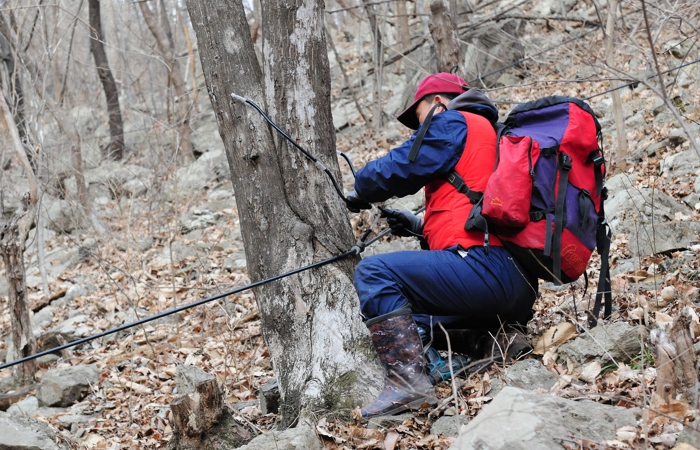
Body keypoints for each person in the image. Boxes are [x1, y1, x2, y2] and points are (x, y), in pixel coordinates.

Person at [346, 73, 539, 418]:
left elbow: (401, 167)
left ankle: (408, 384)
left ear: (437, 102)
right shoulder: (489, 135)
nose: (420, 128)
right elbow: (475, 211)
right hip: (516, 284)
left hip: (484, 271)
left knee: (374, 273)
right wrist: (417, 226)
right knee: (408, 317)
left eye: (419, 117)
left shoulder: (452, 121)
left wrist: (361, 187)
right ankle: (495, 340)